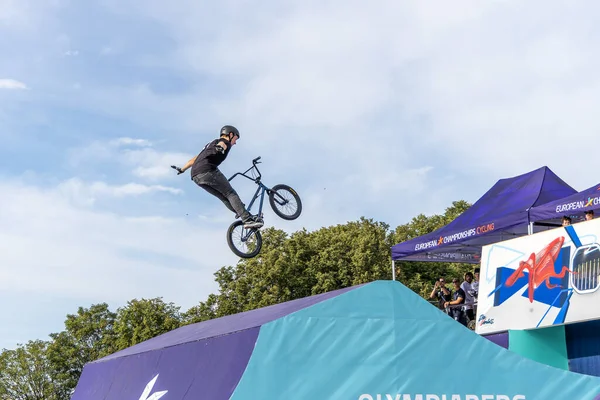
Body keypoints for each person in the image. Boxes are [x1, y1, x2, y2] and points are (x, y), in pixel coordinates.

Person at [173, 125, 264, 228]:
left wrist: (182, 169)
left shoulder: (209, 144)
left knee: (224, 196)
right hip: (207, 170)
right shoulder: (224, 142)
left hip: (196, 176)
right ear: (230, 135)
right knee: (230, 193)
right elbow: (222, 144)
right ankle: (247, 219)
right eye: (235, 139)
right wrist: (220, 148)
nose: (235, 142)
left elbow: (194, 160)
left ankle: (244, 214)